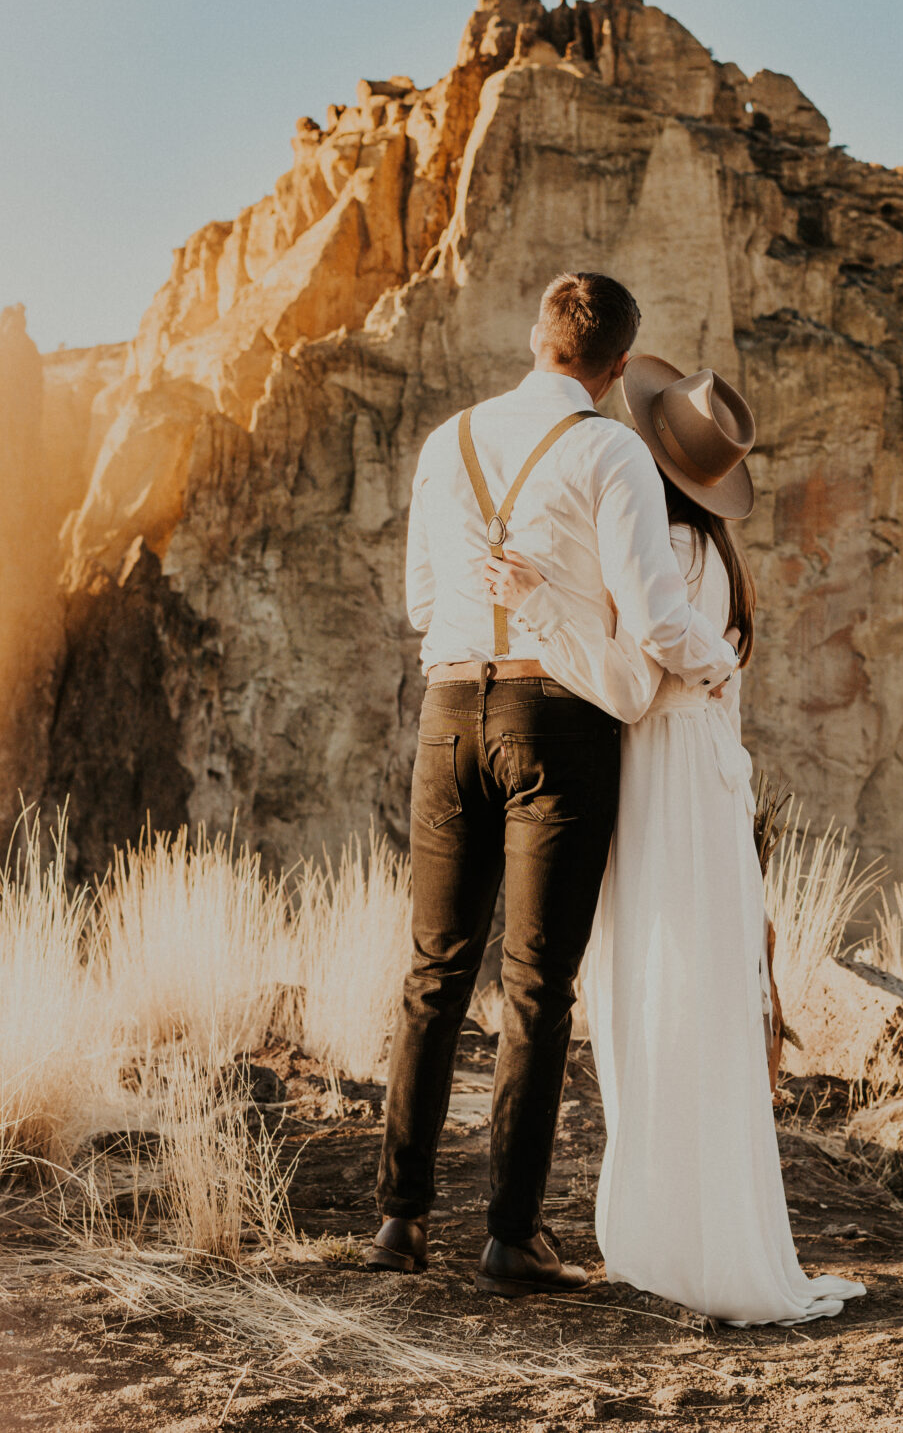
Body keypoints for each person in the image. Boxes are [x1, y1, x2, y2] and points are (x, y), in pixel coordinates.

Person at [365, 273, 740, 1297]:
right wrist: (720, 663)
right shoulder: (611, 447)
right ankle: (511, 1236)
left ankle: (399, 1221)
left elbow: (418, 600)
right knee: (536, 984)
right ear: (619, 369)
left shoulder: (446, 442)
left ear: (537, 334)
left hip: (447, 710)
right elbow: (656, 615)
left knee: (433, 975)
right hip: (557, 719)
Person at [487, 355, 865, 1326]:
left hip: (662, 777)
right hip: (696, 777)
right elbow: (693, 660)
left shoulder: (660, 548)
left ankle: (673, 1244)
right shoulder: (713, 555)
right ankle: (699, 1236)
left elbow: (630, 674)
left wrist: (536, 601)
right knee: (690, 998)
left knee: (656, 994)